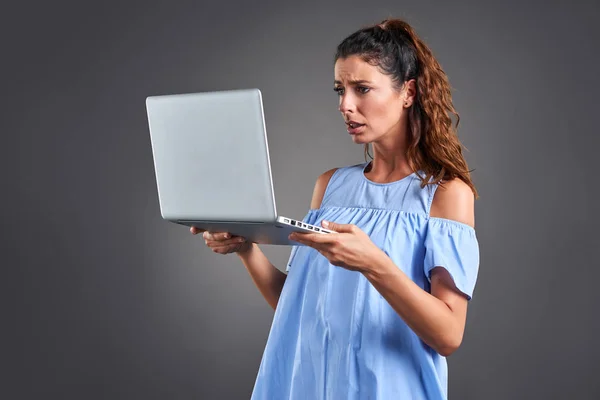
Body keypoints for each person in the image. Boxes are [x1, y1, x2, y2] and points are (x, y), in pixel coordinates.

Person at [192, 18, 480, 400]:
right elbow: (296, 304)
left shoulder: (445, 194)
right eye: (340, 89)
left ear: (407, 92)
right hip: (312, 385)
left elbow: (448, 335)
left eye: (362, 89)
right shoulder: (329, 186)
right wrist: (246, 248)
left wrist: (374, 263)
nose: (346, 105)